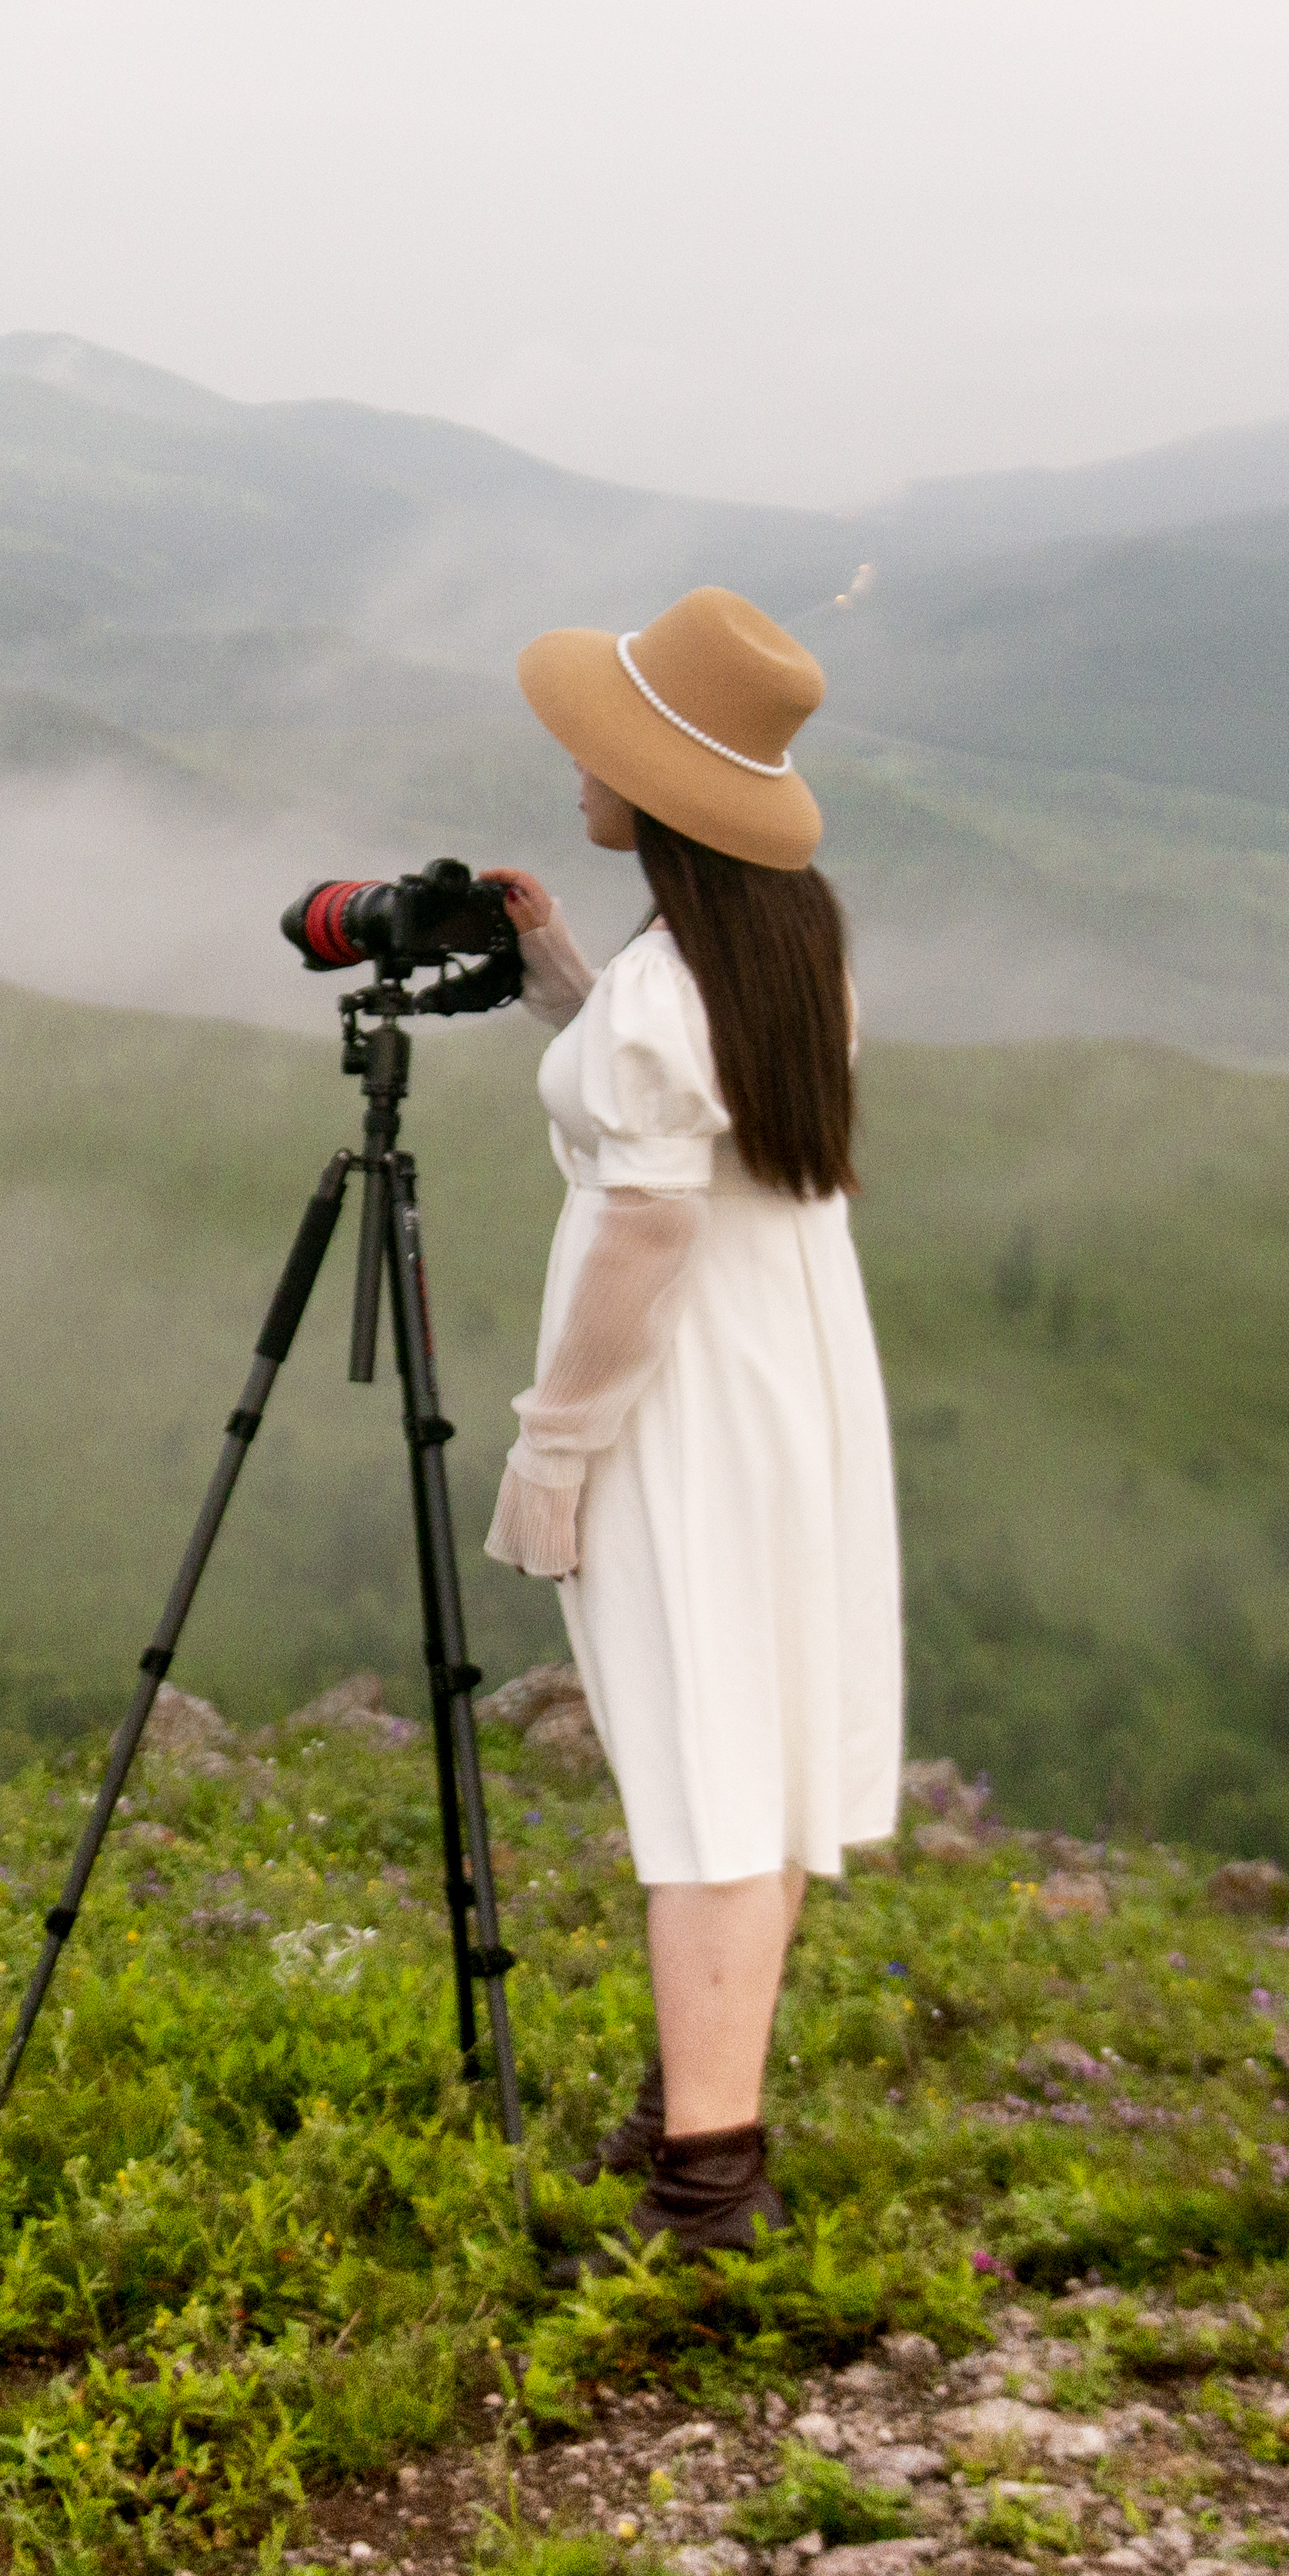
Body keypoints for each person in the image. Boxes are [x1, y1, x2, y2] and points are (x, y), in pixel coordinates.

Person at [475, 585, 899, 2255]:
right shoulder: (775, 943)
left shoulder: (673, 995)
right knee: (756, 1745)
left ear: (655, 783)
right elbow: (689, 1108)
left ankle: (706, 2194)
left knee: (702, 1766)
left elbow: (648, 1228)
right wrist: (563, 984)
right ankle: (691, 2114)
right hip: (784, 1374)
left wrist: (551, 1442)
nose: (574, 761)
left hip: (683, 1397)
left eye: (599, 741)